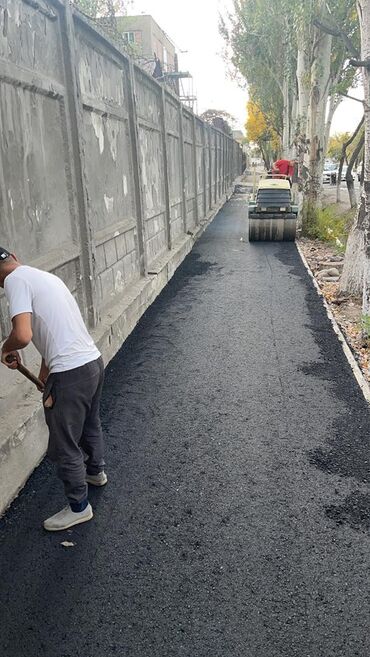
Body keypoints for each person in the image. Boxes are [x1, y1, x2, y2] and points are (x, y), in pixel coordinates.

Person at [0, 247, 106, 531]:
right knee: (90, 425)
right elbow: (54, 332)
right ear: (15, 257)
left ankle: (79, 507)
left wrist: (6, 348)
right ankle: (96, 473)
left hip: (71, 374)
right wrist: (45, 375)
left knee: (64, 444)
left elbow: (22, 334)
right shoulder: (44, 277)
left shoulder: (14, 281)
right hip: (92, 363)